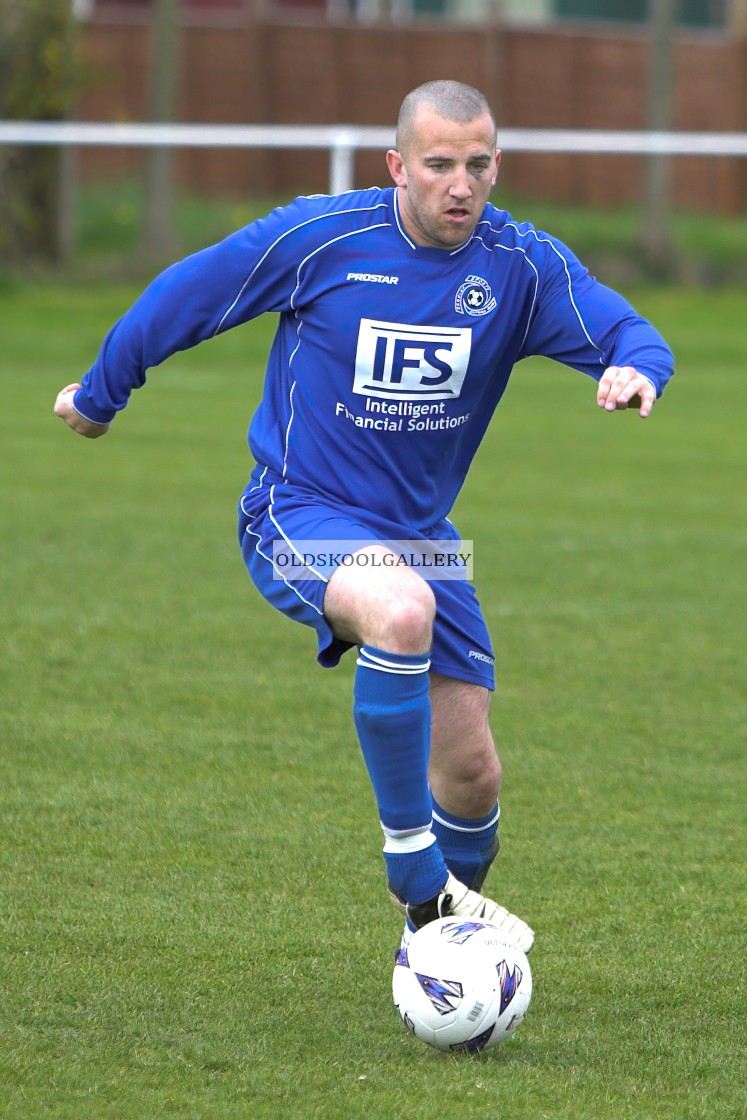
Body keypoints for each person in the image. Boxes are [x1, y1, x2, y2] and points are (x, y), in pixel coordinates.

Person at [54, 80, 674, 956]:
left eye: (478, 164)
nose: (461, 184)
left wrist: (635, 370)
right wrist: (101, 395)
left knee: (470, 774)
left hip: (422, 540)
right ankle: (412, 871)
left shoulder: (520, 267)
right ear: (397, 167)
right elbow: (186, 294)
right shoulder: (321, 237)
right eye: (438, 165)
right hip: (297, 509)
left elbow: (629, 332)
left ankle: (432, 945)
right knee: (400, 610)